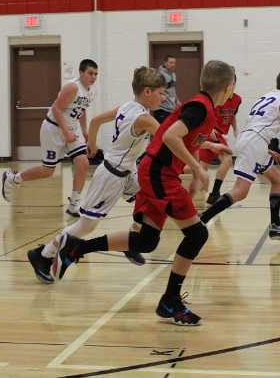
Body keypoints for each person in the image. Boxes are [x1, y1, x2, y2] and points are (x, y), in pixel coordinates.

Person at [50, 60, 235, 326]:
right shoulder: (199, 107)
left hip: (152, 171)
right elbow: (170, 137)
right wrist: (197, 168)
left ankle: (75, 248)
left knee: (146, 241)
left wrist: (210, 147)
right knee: (197, 234)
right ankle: (170, 301)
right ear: (228, 88)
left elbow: (177, 135)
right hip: (159, 174)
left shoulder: (200, 106)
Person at [27, 66, 167, 283]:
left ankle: (131, 242)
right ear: (147, 92)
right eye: (161, 93)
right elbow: (169, 139)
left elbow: (95, 121)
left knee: (150, 199)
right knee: (86, 226)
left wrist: (92, 144)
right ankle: (43, 254)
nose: (164, 97)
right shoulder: (145, 119)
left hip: (128, 172)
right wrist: (204, 143)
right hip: (112, 176)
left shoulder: (127, 106)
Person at [200, 69, 280, 239]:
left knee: (278, 179)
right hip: (254, 144)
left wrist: (265, 148)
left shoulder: (266, 97)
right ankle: (202, 219)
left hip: (252, 141)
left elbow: (255, 125)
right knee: (240, 191)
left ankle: (275, 226)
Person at [1, 59, 98, 216]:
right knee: (48, 171)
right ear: (81, 73)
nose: (93, 77)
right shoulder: (72, 87)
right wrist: (66, 133)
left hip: (72, 129)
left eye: (95, 74)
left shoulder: (91, 91)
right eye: (90, 73)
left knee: (83, 163)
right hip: (53, 129)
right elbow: (56, 109)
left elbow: (82, 109)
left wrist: (84, 131)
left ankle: (74, 204)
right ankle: (13, 178)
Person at [194, 84, 241, 204]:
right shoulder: (217, 97)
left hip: (218, 134)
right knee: (225, 160)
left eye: (231, 83)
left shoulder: (237, 99)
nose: (229, 86)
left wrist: (235, 129)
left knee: (203, 167)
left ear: (234, 84)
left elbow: (232, 115)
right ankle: (210, 194)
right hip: (212, 132)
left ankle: (209, 194)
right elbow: (205, 112)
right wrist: (209, 128)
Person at [154, 55, 179, 123]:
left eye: (174, 63)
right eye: (171, 63)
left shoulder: (173, 74)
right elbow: (154, 89)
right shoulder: (159, 75)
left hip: (172, 109)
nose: (173, 65)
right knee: (162, 129)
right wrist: (160, 96)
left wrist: (177, 100)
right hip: (161, 109)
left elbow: (172, 90)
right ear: (165, 63)